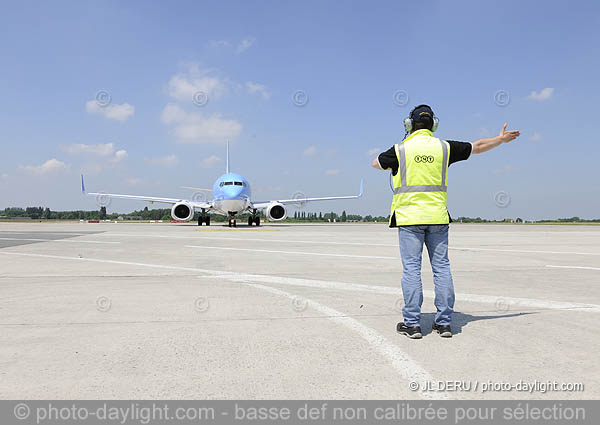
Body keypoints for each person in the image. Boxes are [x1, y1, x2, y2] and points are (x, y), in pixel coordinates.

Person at [371, 104, 520, 339]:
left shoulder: (400, 150)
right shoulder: (445, 148)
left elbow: (376, 163)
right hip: (438, 218)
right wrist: (500, 140)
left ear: (409, 125)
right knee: (441, 269)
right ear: (434, 124)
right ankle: (444, 324)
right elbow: (478, 146)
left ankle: (412, 324)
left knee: (412, 269)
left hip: (409, 218)